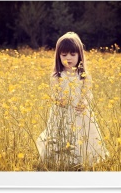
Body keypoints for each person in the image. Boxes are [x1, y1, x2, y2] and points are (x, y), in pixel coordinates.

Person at [36, 32, 109, 171]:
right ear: (58, 56)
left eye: (72, 54)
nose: (68, 58)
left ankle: (82, 161)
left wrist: (84, 103)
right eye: (64, 55)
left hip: (80, 112)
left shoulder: (83, 75)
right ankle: (61, 160)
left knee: (83, 136)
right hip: (61, 112)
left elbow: (88, 92)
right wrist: (59, 100)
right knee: (61, 135)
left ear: (79, 55)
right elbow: (54, 92)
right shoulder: (57, 75)